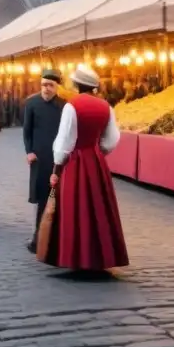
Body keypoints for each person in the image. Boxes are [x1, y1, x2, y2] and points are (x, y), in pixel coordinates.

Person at [43, 66, 128, 271]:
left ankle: (76, 256)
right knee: (99, 206)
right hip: (96, 161)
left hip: (75, 161)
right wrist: (98, 151)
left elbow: (65, 140)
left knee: (76, 205)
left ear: (77, 85)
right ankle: (101, 255)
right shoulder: (106, 107)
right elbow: (113, 139)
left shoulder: (72, 106)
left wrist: (58, 164)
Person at [23, 69, 64, 253]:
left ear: (57, 87)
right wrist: (29, 151)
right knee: (42, 199)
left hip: (58, 159)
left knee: (57, 198)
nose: (46, 89)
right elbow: (27, 131)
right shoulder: (32, 103)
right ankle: (37, 239)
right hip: (39, 158)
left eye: (50, 85)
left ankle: (56, 239)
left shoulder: (65, 106)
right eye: (44, 85)